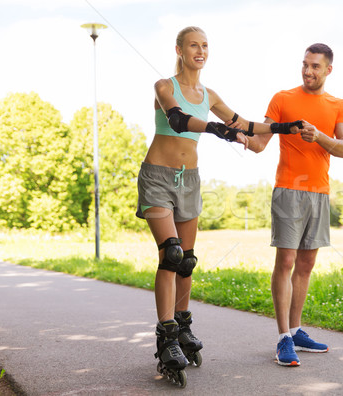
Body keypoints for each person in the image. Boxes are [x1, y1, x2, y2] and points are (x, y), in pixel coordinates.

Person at [136, 26, 303, 382]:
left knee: (187, 263)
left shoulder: (209, 93)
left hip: (190, 180)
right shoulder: (165, 86)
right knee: (171, 254)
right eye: (193, 45)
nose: (200, 50)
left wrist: (287, 127)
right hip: (157, 176)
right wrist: (216, 129)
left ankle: (182, 327)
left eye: (205, 45)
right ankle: (166, 336)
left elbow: (246, 124)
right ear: (179, 50)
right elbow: (178, 120)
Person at [242, 43, 343, 366]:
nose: (308, 71)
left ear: (328, 70)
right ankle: (283, 338)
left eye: (315, 66)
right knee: (286, 261)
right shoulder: (282, 99)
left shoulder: (338, 105)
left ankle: (297, 329)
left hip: (319, 192)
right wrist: (237, 135)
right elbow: (261, 142)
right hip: (288, 189)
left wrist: (318, 136)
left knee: (305, 266)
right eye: (305, 64)